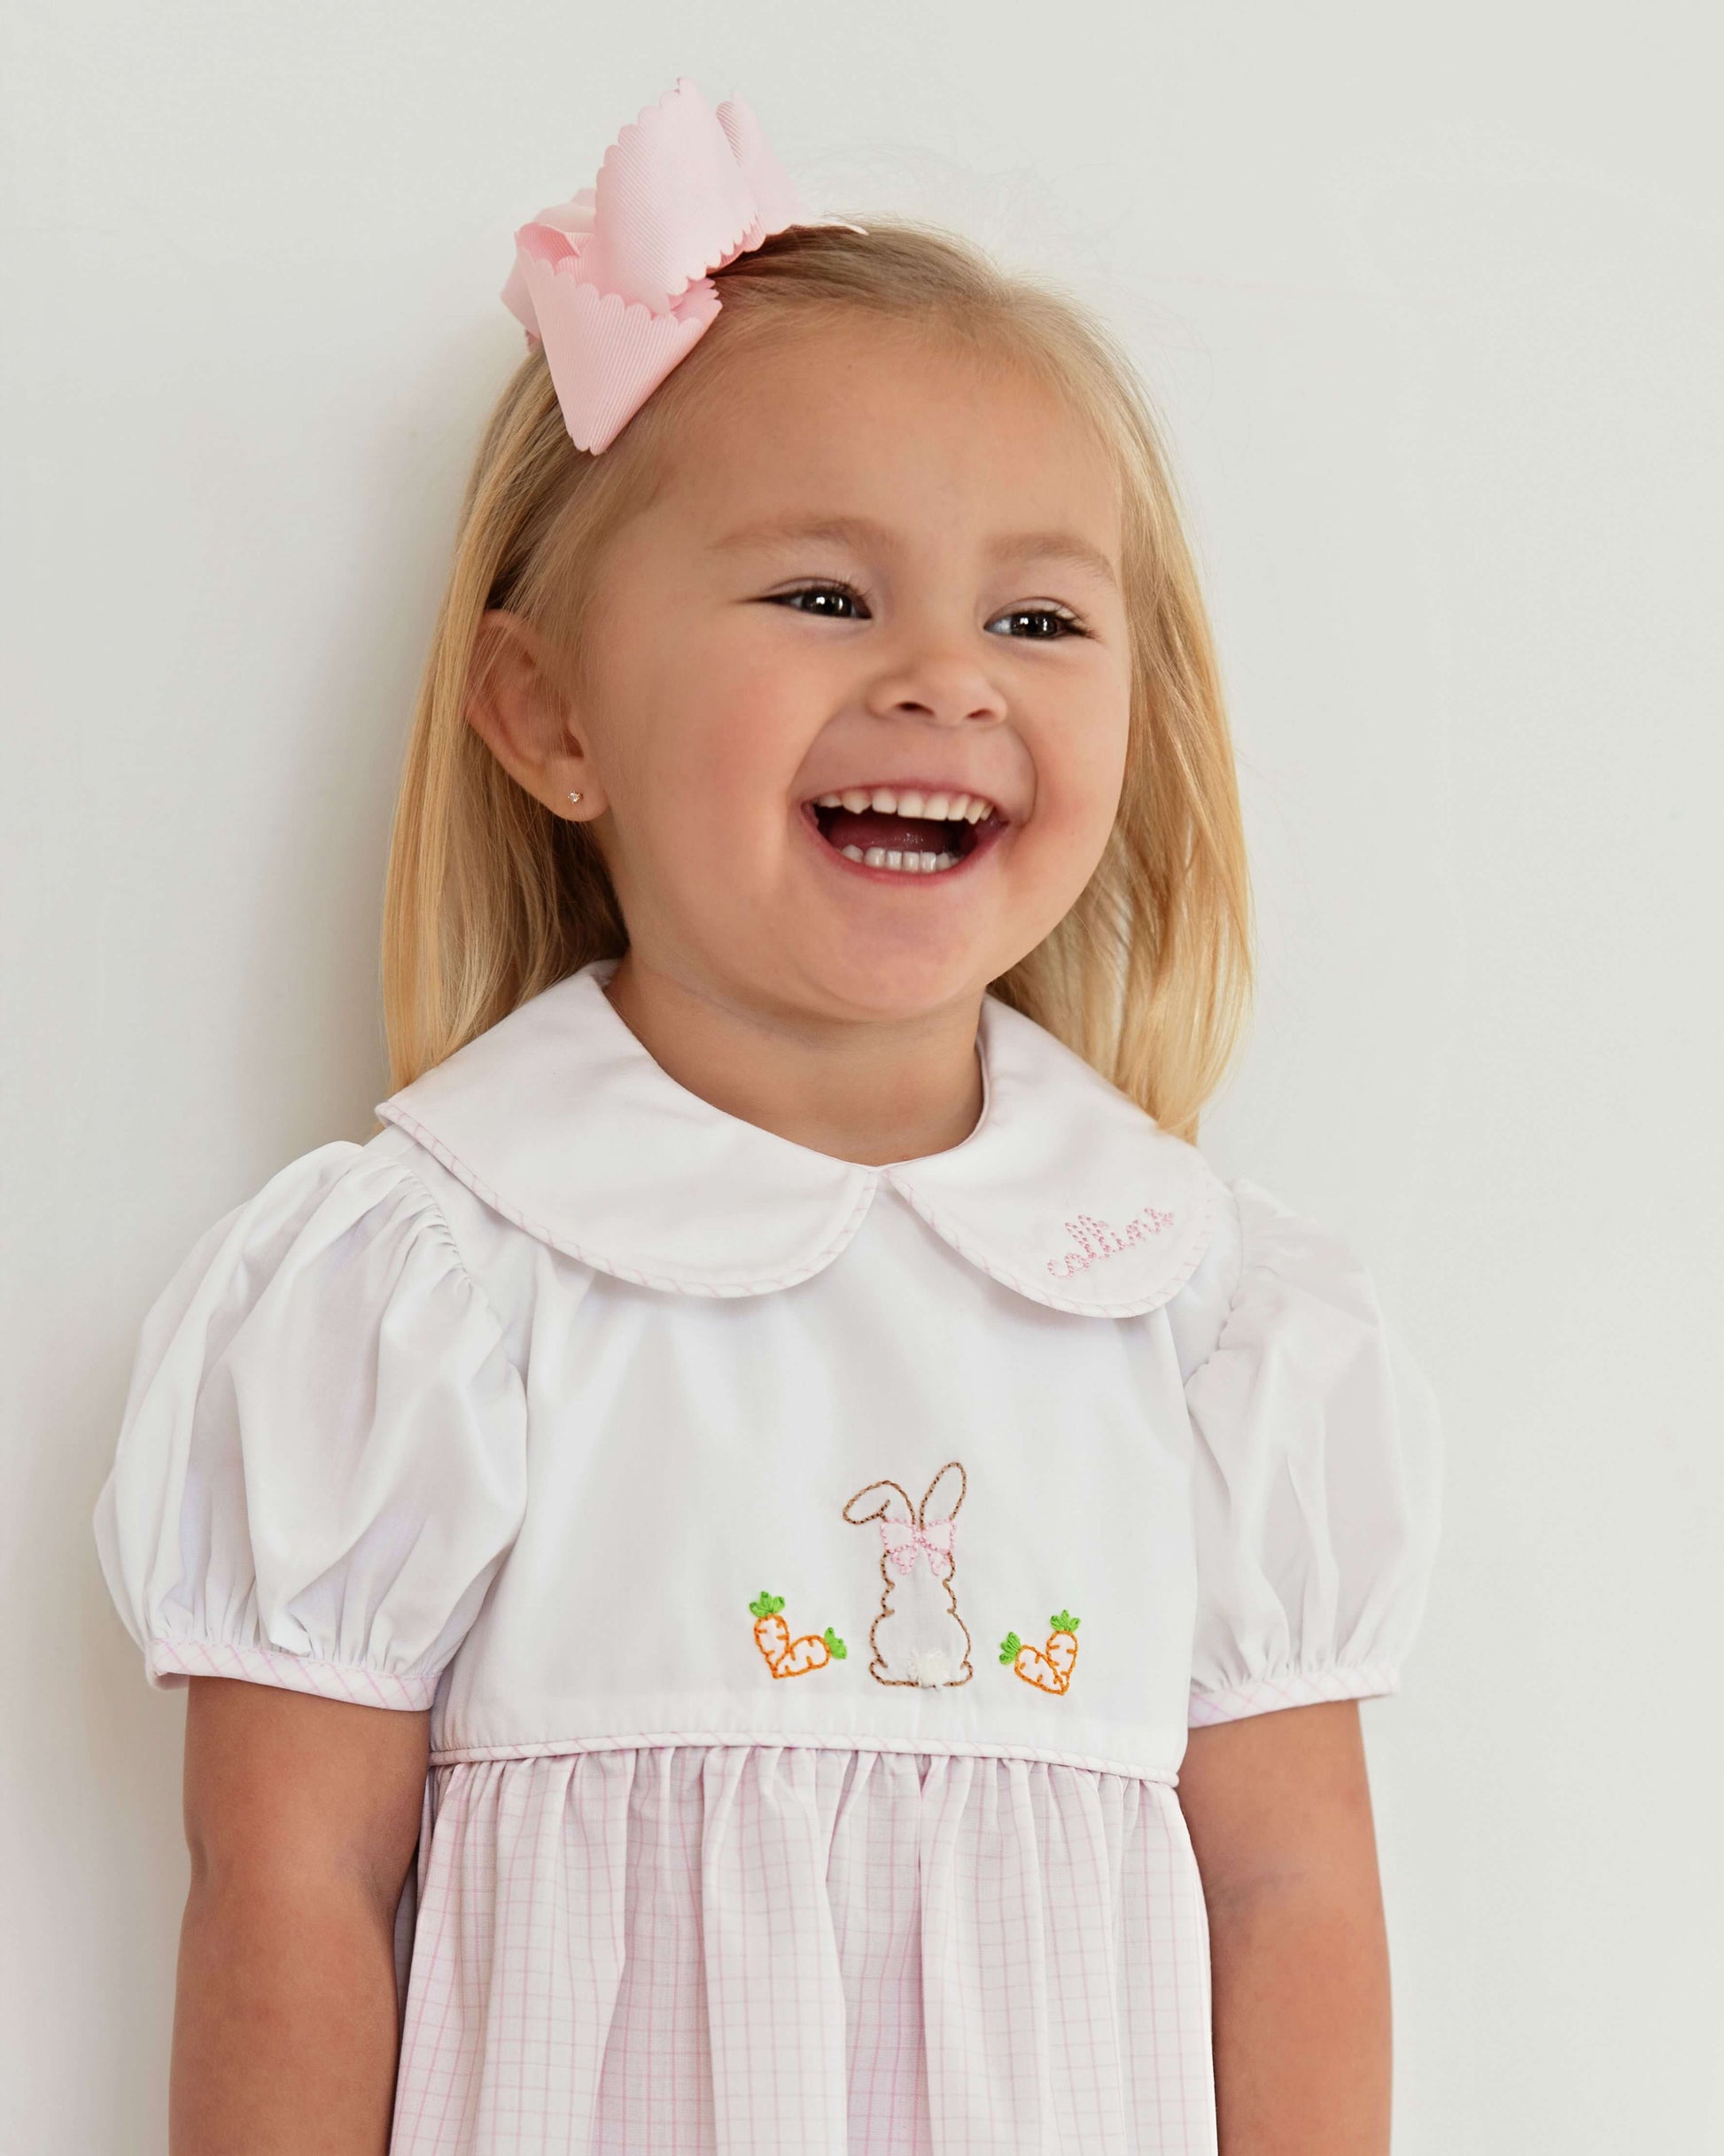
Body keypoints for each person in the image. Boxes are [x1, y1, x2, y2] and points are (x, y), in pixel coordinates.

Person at [94, 78, 1442, 2156]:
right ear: (550, 715)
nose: (947, 678)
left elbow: (1291, 1899)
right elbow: (289, 1890)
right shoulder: (434, 1279)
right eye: (826, 594)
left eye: (1037, 616)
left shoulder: (1203, 1314)